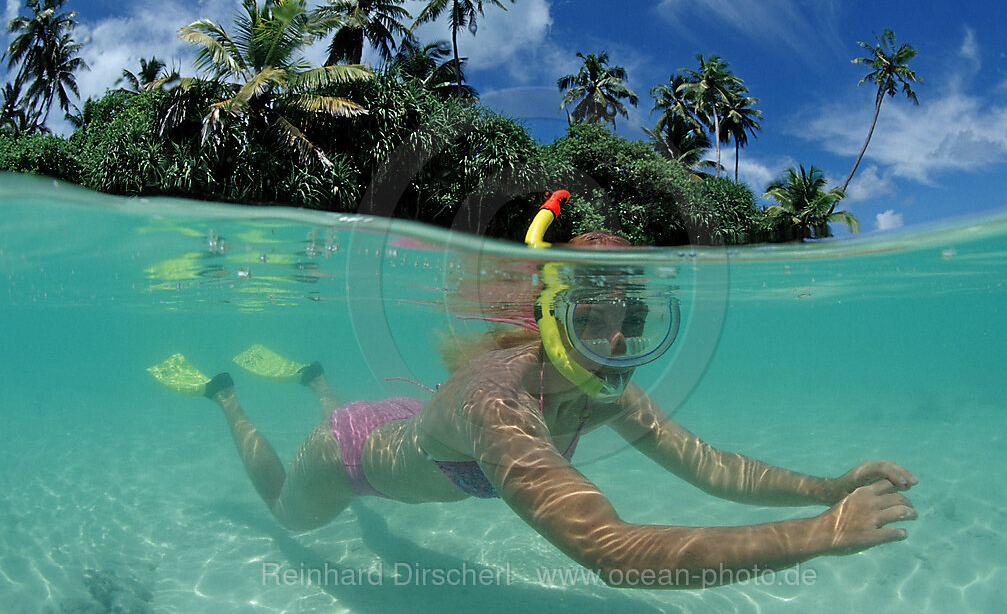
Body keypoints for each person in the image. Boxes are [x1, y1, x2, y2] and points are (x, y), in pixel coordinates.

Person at [195, 191, 918, 589]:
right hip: (347, 457)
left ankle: (321, 386)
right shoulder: (495, 403)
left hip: (405, 424)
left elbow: (709, 465)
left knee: (372, 501)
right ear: (550, 316)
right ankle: (229, 396)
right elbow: (614, 553)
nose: (613, 347)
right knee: (290, 519)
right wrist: (816, 535)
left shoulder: (607, 391)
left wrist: (829, 486)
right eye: (590, 319)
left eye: (632, 324)